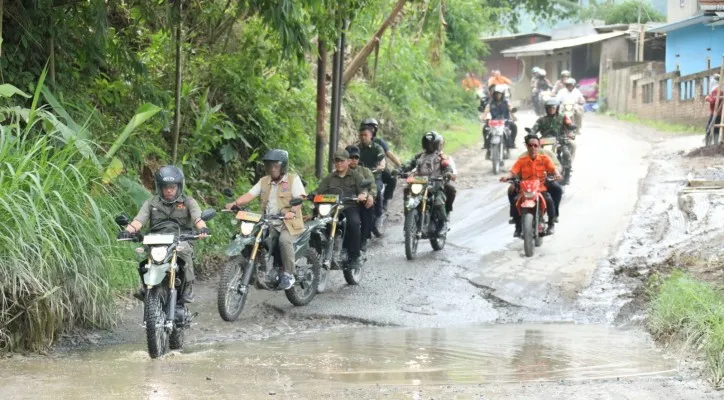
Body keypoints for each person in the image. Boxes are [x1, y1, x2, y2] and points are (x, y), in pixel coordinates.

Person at [119, 165, 209, 303]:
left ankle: (187, 287)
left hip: (181, 238)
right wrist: (127, 231)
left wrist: (202, 229)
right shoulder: (151, 203)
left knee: (184, 251)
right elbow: (139, 220)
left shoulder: (188, 202)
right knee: (144, 262)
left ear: (179, 187)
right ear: (159, 188)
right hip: (156, 239)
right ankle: (147, 286)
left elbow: (198, 218)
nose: (169, 191)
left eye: (172, 187)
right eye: (165, 187)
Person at [224, 149, 306, 290]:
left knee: (284, 241)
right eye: (269, 165)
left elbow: (300, 198)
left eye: (275, 165)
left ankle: (289, 274)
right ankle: (254, 269)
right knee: (252, 236)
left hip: (288, 223)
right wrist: (235, 203)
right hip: (269, 222)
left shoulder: (293, 179)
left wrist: (292, 211)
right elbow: (250, 195)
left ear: (283, 166)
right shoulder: (264, 181)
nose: (272, 169)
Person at [314, 150, 372, 269]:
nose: (339, 163)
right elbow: (319, 190)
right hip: (332, 208)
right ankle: (317, 251)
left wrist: (363, 194)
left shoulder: (356, 175)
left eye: (342, 161)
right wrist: (310, 195)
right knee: (318, 224)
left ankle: (354, 256)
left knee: (354, 223)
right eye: (337, 161)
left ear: (348, 162)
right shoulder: (330, 177)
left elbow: (363, 188)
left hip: (348, 207)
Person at [500, 135, 563, 237]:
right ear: (527, 146)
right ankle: (518, 227)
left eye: (535, 145)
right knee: (516, 200)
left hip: (540, 188)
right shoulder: (522, 160)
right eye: (530, 145)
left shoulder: (545, 158)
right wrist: (506, 177)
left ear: (539, 146)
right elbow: (513, 171)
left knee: (549, 200)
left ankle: (551, 224)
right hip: (525, 188)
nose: (533, 148)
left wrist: (557, 174)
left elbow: (553, 168)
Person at [398, 131, 455, 226]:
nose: (429, 145)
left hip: (435, 183)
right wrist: (400, 170)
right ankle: (408, 220)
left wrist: (447, 173)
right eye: (427, 143)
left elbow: (447, 166)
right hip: (419, 182)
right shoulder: (419, 156)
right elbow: (409, 164)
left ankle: (442, 222)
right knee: (408, 193)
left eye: (431, 143)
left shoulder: (441, 157)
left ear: (436, 144)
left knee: (438, 202)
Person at [359, 118, 402, 211]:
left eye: (371, 127)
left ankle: (385, 200)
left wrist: (399, 165)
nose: (369, 129)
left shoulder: (379, 142)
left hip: (379, 171)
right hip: (364, 171)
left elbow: (390, 155)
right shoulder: (360, 144)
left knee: (392, 178)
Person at [345, 145, 377, 252]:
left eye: (356, 158)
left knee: (368, 206)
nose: (353, 160)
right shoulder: (340, 170)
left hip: (360, 201)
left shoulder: (365, 171)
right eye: (350, 157)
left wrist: (370, 195)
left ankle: (363, 239)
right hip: (343, 201)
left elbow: (372, 186)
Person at [358, 124, 387, 235]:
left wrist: (381, 166)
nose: (363, 137)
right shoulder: (357, 148)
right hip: (359, 179)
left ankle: (378, 217)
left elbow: (382, 160)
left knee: (377, 192)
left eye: (365, 135)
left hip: (375, 178)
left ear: (371, 136)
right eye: (361, 135)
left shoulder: (377, 147)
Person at [482, 84, 518, 156]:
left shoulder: (506, 102)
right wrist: (482, 117)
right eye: (496, 94)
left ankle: (511, 143)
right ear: (494, 94)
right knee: (485, 129)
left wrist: (514, 117)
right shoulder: (491, 102)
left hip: (505, 121)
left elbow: (510, 109)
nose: (498, 96)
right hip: (494, 122)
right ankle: (487, 146)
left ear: (502, 95)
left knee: (514, 126)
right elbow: (486, 110)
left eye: (499, 94)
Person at [705, 78, 722, 143]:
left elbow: (713, 101)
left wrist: (707, 98)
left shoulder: (715, 90)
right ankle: (715, 143)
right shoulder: (721, 90)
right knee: (716, 129)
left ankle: (708, 143)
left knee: (708, 127)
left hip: (714, 113)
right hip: (719, 113)